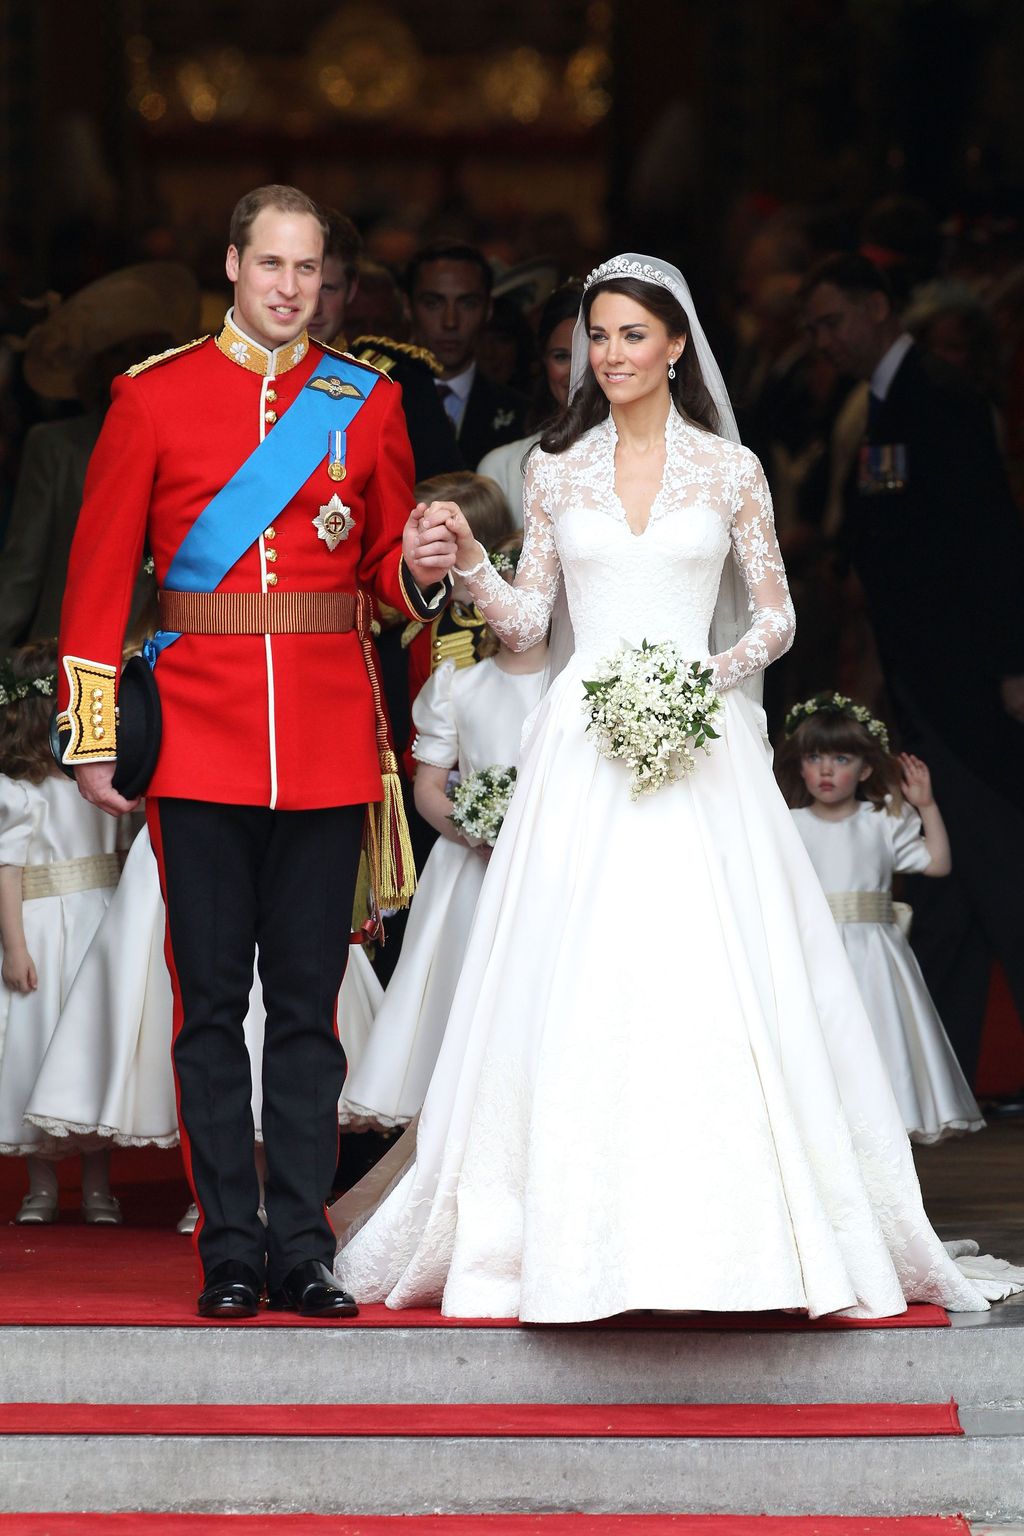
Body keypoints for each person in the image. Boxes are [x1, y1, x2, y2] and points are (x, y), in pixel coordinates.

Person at [334, 253, 1022, 1324]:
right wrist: (471, 559)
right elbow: (524, 626)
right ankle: (560, 1235)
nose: (609, 356)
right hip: (581, 748)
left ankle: (735, 1237)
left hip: (700, 743)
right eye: (595, 337)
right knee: (578, 978)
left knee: (712, 976)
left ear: (673, 346)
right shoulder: (555, 473)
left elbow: (776, 617)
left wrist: (702, 682)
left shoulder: (729, 470)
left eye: (629, 336)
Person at [56, 184, 457, 1319]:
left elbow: (384, 578)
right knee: (208, 1008)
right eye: (270, 265)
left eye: (308, 269)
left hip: (328, 740)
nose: (289, 288)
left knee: (308, 1011)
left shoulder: (366, 401)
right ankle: (230, 1247)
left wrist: (420, 562)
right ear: (232, 266)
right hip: (197, 741)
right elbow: (96, 584)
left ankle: (304, 1245)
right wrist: (94, 740)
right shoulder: (153, 397)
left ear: (327, 279)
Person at [803, 252, 1024, 1089]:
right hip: (923, 675)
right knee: (954, 891)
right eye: (814, 328)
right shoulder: (886, 400)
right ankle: (942, 1069)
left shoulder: (939, 393)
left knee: (996, 864)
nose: (823, 342)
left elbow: (990, 536)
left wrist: (1012, 663)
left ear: (879, 308)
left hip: (967, 678)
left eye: (833, 322)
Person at [25, 821, 384, 1229]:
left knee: (275, 1015)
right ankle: (218, 1194)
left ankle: (278, 1196)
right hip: (190, 816)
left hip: (284, 820)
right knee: (194, 1012)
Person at [342, 532, 547, 1132]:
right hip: (471, 865)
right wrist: (472, 827)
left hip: (551, 862)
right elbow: (427, 787)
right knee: (464, 987)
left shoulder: (570, 683)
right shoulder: (459, 685)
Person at [779, 693, 983, 1145]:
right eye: (814, 757)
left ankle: (881, 1134)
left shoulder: (882, 820)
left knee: (879, 1036)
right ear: (801, 767)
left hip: (875, 954)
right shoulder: (788, 823)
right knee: (827, 1039)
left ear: (866, 769)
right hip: (815, 950)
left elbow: (937, 863)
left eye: (841, 757)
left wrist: (926, 806)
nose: (827, 770)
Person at [0, 263, 200, 649]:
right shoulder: (56, 446)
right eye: (118, 353)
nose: (132, 364)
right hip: (68, 654)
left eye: (146, 351)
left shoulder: (192, 443)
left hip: (165, 655)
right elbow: (21, 570)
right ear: (93, 369)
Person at [0, 640, 126, 1224]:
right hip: (42, 929)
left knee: (91, 1048)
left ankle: (99, 1186)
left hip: (100, 920)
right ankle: (42, 1186)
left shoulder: (101, 783)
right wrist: (15, 946)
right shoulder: (19, 793)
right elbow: (9, 872)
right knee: (37, 1046)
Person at [309, 211, 463, 482]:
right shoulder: (246, 370)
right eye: (305, 285)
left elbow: (442, 491)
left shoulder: (399, 380)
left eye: (329, 289)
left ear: (351, 290)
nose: (315, 306)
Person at [406, 241, 530, 468]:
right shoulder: (377, 400)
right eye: (433, 304)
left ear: (488, 310)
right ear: (408, 308)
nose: (450, 322)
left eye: (467, 304)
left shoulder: (522, 415)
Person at [478, 281, 583, 527]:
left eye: (587, 355)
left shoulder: (653, 458)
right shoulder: (502, 467)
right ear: (542, 362)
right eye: (561, 357)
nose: (576, 371)